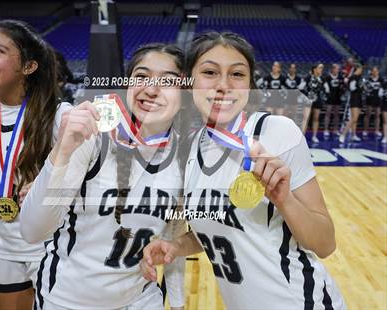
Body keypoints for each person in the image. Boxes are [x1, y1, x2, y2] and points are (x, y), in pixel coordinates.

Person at [140, 31, 345, 309]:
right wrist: (178, 247)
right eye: (210, 72)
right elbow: (218, 228)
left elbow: (325, 244)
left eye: (237, 74)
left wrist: (285, 200)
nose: (223, 85)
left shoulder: (276, 132)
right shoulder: (188, 151)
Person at [20, 43, 187, 310]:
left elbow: (174, 234)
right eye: (141, 77)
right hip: (68, 299)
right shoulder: (94, 136)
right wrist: (61, 154)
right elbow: (32, 230)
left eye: (168, 81)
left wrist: (177, 303)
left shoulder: (185, 155)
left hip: (141, 298)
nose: (151, 89)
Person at [0, 19, 70, 309]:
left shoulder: (60, 115)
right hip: (1, 246)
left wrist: (46, 183)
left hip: (52, 246)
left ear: (29, 66)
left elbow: (87, 182)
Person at [339, 64, 364, 143]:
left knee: (355, 120)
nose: (361, 70)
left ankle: (353, 135)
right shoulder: (353, 77)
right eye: (360, 69)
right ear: (357, 69)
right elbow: (352, 88)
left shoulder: (360, 78)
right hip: (354, 99)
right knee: (353, 119)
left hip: (359, 99)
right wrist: (360, 87)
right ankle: (343, 134)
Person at [304, 63, 325, 143]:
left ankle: (314, 136)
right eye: (320, 68)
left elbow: (324, 89)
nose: (321, 69)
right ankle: (303, 136)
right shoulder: (308, 77)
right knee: (306, 118)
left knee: (316, 118)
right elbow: (301, 87)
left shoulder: (322, 78)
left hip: (317, 100)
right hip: (308, 100)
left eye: (322, 68)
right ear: (314, 69)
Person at [323, 64, 344, 137]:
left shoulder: (340, 77)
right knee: (328, 113)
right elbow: (325, 88)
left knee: (337, 114)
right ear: (332, 69)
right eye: (336, 69)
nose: (337, 70)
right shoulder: (327, 78)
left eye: (338, 69)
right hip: (330, 98)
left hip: (337, 98)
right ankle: (326, 129)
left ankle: (335, 130)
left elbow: (343, 87)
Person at [363, 66, 383, 138]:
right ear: (371, 72)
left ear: (378, 72)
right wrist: (367, 90)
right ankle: (365, 130)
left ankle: (377, 130)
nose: (374, 72)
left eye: (376, 71)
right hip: (370, 99)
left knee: (377, 115)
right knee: (368, 114)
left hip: (378, 99)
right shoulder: (368, 80)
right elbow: (365, 88)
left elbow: (383, 88)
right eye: (373, 71)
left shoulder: (381, 80)